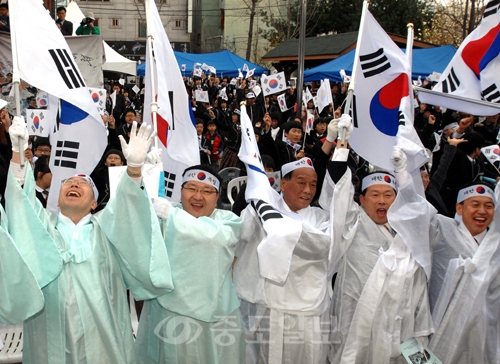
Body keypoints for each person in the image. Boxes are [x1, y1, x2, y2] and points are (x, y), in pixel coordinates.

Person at [2, 117, 173, 364]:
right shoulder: (42, 227)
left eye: (83, 184)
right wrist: (18, 156)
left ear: (94, 203)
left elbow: (128, 211)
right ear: (57, 201)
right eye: (69, 183)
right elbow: (22, 206)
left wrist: (134, 169)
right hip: (50, 333)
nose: (74, 184)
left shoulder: (107, 226)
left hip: (103, 334)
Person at [233, 116, 344, 364]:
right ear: (283, 183)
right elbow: (239, 237)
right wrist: (258, 209)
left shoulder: (320, 218)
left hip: (304, 315)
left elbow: (319, 247)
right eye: (301, 183)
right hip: (262, 309)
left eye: (313, 185)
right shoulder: (260, 208)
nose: (307, 190)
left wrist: (277, 222)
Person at [327, 122, 435, 363]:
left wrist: (404, 176)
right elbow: (337, 194)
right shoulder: (352, 223)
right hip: (353, 320)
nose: (382, 201)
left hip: (394, 325)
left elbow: (419, 211)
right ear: (362, 199)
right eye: (374, 195)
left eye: (388, 195)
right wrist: (341, 146)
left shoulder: (405, 233)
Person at [135, 164, 246, 364]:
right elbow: (132, 229)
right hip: (168, 311)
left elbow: (213, 238)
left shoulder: (229, 221)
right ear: (181, 191)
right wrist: (137, 180)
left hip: (217, 316)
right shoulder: (163, 213)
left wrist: (173, 216)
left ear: (217, 196)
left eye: (206, 191)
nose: (198, 196)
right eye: (191, 189)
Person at [426, 181, 500, 363]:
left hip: (484, 336)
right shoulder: (442, 232)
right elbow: (414, 215)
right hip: (443, 329)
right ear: (459, 208)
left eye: (488, 206)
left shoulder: (495, 247)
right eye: (475, 205)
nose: (482, 211)